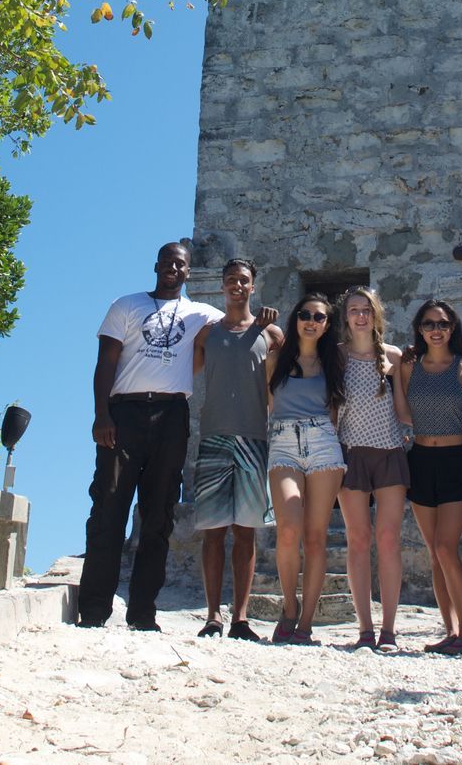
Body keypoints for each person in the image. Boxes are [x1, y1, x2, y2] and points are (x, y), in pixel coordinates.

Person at [76, 242, 223, 631]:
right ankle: (93, 610)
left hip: (172, 415)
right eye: (168, 261)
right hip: (124, 413)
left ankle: (142, 612)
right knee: (108, 510)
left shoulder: (200, 313)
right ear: (156, 265)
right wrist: (101, 414)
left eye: (181, 263)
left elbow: (238, 330)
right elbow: (105, 362)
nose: (174, 267)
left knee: (158, 515)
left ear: (189, 272)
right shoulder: (125, 306)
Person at [191, 258, 282, 640]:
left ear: (253, 286)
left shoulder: (271, 334)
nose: (237, 286)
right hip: (213, 435)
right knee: (214, 532)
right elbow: (187, 375)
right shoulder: (206, 334)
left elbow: (281, 383)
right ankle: (213, 615)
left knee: (247, 532)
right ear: (222, 286)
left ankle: (240, 618)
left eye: (244, 280)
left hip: (253, 438)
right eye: (231, 280)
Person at [263, 291, 347, 643]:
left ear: (327, 325)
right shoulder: (276, 359)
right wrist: (264, 323)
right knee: (287, 528)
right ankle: (289, 606)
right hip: (282, 442)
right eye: (305, 315)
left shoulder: (334, 362)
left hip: (323, 443)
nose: (311, 322)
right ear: (295, 318)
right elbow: (266, 404)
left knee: (315, 538)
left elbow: (335, 410)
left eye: (320, 317)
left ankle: (307, 623)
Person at [335, 285, 411, 651]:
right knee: (358, 540)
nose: (360, 315)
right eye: (353, 310)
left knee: (388, 540)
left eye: (366, 309)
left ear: (376, 314)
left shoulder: (393, 357)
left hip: (390, 452)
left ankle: (389, 630)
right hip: (351, 455)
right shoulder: (337, 357)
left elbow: (402, 411)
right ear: (346, 317)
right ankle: (365, 629)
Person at [398, 299, 462, 655]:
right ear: (419, 328)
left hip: (457, 459)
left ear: (452, 328)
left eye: (443, 324)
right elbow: (402, 410)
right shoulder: (409, 367)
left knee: (447, 547)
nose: (436, 329)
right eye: (429, 323)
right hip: (421, 460)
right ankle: (450, 631)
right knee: (434, 553)